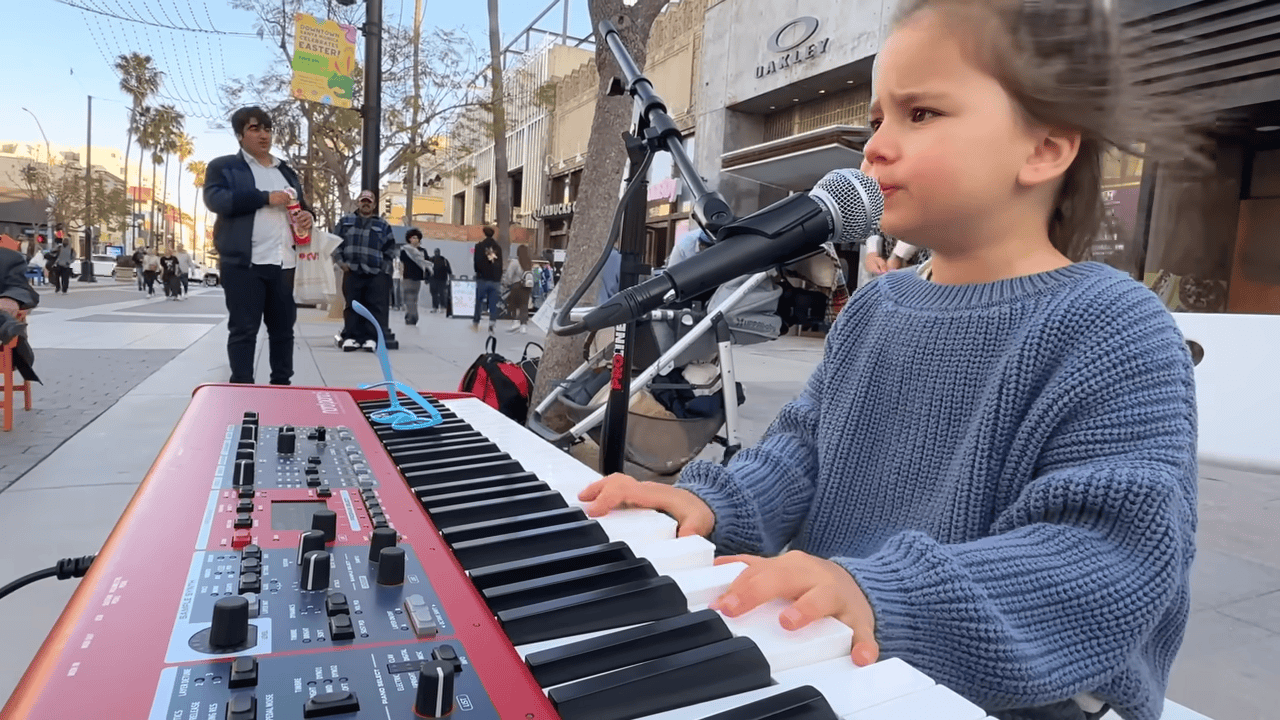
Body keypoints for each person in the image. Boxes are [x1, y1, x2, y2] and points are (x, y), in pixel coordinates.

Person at [578, 2, 1200, 719]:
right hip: (844, 658)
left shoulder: (1112, 325)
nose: (875, 148)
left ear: (1045, 149)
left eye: (922, 114)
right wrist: (717, 504)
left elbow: (1106, 561)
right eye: (877, 120)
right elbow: (806, 451)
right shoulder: (878, 306)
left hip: (1020, 696)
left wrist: (882, 593)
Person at [204, 105, 313, 385]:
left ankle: (281, 386)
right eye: (255, 129)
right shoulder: (224, 166)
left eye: (267, 129)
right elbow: (216, 200)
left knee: (283, 331)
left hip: (284, 264)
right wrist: (265, 198)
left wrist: (307, 216)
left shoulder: (285, 171)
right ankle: (242, 386)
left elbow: (303, 206)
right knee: (243, 330)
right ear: (240, 135)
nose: (263, 135)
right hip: (244, 264)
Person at [332, 189, 397, 352]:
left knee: (373, 306)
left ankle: (370, 338)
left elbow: (390, 248)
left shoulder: (383, 225)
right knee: (352, 305)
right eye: (363, 201)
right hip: (351, 271)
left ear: (374, 204)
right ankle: (351, 337)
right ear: (358, 203)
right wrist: (341, 262)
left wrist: (384, 269)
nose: (366, 204)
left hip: (375, 273)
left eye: (369, 201)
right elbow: (334, 243)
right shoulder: (346, 221)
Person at [471, 226, 503, 333]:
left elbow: (476, 263)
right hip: (495, 280)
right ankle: (492, 324)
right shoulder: (498, 248)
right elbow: (501, 264)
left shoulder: (479, 246)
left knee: (479, 302)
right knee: (493, 303)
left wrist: (478, 272)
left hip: (482, 279)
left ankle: (476, 323)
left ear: (484, 233)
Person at [400, 228, 430, 326]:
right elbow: (402, 260)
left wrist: (427, 276)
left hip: (417, 279)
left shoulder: (422, 251)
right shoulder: (405, 250)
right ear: (409, 239)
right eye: (413, 238)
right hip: (407, 278)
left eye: (417, 238)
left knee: (414, 299)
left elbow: (427, 264)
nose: (415, 240)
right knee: (409, 298)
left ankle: (409, 316)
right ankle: (413, 316)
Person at [502, 244, 534, 334]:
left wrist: (506, 283)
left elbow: (509, 275)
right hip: (526, 287)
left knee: (514, 305)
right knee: (524, 305)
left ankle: (515, 322)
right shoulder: (529, 262)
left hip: (516, 286)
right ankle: (523, 326)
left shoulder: (515, 262)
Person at [428, 248, 452, 314]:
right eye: (436, 252)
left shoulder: (443, 260)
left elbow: (449, 269)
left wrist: (450, 276)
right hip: (435, 280)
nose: (437, 253)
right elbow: (427, 270)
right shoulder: (432, 260)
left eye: (437, 252)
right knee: (435, 294)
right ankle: (436, 307)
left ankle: (441, 307)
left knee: (441, 294)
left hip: (441, 280)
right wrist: (427, 279)